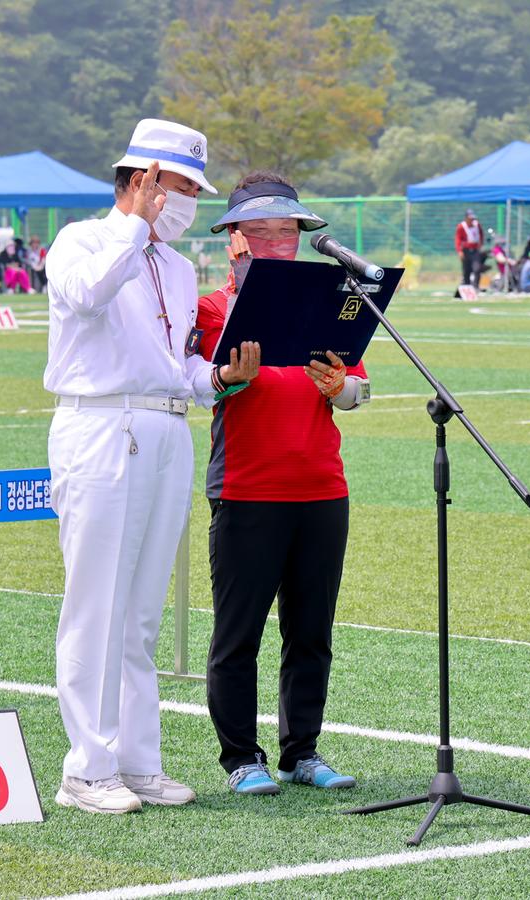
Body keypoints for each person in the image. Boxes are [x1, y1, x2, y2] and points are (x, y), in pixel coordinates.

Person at [44, 118, 248, 815]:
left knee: (140, 613)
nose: (191, 203)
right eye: (183, 187)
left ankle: (137, 761)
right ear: (144, 181)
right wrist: (135, 229)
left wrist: (218, 377)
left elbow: (176, 361)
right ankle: (86, 767)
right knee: (96, 603)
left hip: (166, 426)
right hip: (100, 424)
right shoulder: (82, 241)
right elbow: (86, 295)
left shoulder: (178, 266)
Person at [194, 171, 366, 796]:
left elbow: (357, 391)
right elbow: (207, 382)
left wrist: (339, 387)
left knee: (312, 631)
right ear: (234, 238)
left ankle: (302, 751)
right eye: (259, 232)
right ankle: (241, 756)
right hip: (246, 487)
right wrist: (243, 305)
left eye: (285, 231)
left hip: (323, 488)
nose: (275, 243)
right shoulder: (213, 306)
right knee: (238, 633)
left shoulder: (327, 302)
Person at [454, 209, 483, 296]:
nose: (472, 220)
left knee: (477, 268)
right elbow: (458, 239)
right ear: (466, 218)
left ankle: (476, 287)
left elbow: (481, 235)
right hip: (466, 251)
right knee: (466, 271)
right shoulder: (461, 226)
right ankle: (467, 289)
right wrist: (459, 251)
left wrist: (480, 244)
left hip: (475, 250)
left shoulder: (477, 225)